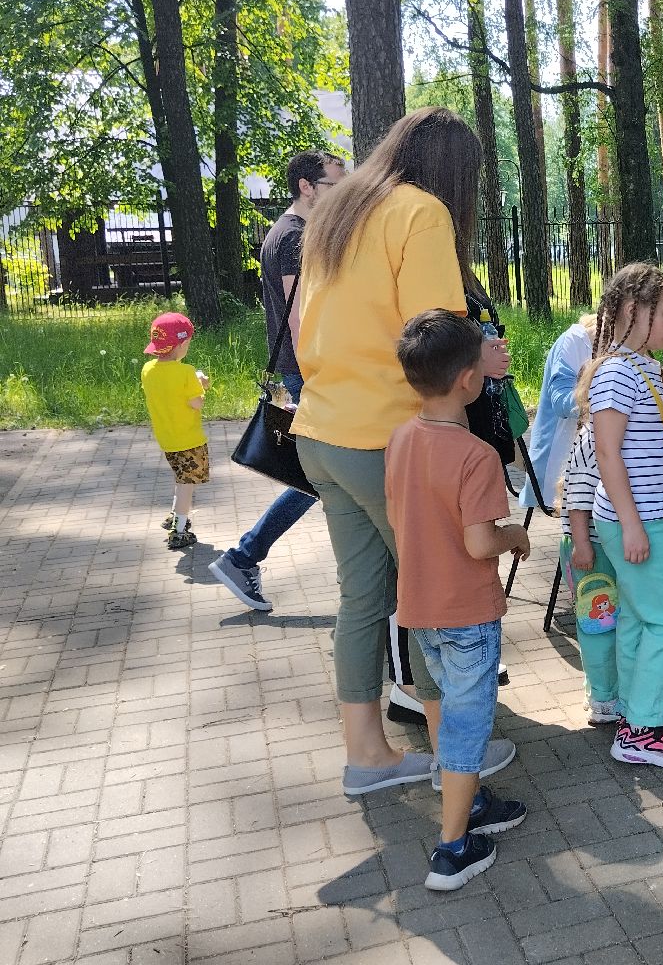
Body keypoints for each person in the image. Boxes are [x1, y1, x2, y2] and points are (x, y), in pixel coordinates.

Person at [290, 106, 513, 797]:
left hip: (322, 430)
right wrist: (487, 359)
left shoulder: (341, 207)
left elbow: (302, 325)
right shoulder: (421, 213)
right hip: (388, 438)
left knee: (362, 597)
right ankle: (456, 757)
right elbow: (434, 332)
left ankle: (369, 754)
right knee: (432, 595)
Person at [387, 310, 529, 890]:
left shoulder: (400, 438)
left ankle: (465, 806)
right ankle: (451, 850)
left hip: (419, 606)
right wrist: (513, 536)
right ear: (471, 379)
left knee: (449, 708)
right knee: (469, 725)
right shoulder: (477, 456)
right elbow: (478, 542)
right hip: (468, 611)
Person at [210, 150, 345, 611]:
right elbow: (299, 316)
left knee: (321, 474)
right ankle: (244, 556)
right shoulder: (294, 237)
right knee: (319, 475)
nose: (340, 193)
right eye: (333, 184)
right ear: (307, 186)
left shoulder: (285, 232)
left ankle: (245, 556)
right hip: (308, 368)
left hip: (302, 368)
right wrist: (319, 373)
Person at [587, 262, 663, 768]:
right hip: (637, 520)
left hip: (650, 515)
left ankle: (635, 713)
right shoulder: (616, 372)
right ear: (632, 311)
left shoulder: (645, 366)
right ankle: (646, 727)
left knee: (639, 616)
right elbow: (608, 453)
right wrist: (633, 524)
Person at [558, 421, 621, 726]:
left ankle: (600, 689)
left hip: (597, 544)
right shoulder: (596, 433)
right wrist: (582, 544)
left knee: (603, 622)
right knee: (600, 625)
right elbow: (580, 496)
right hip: (592, 548)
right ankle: (605, 699)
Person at [141, 312, 210, 550]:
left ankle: (175, 515)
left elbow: (168, 391)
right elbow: (196, 403)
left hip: (167, 438)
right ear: (181, 344)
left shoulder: (148, 370)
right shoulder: (186, 373)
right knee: (186, 484)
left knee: (181, 477)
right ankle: (178, 530)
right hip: (188, 439)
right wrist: (201, 385)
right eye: (188, 342)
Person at [520, 314, 597, 512]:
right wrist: (603, 398)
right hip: (559, 465)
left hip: (586, 464)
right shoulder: (575, 341)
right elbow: (562, 403)